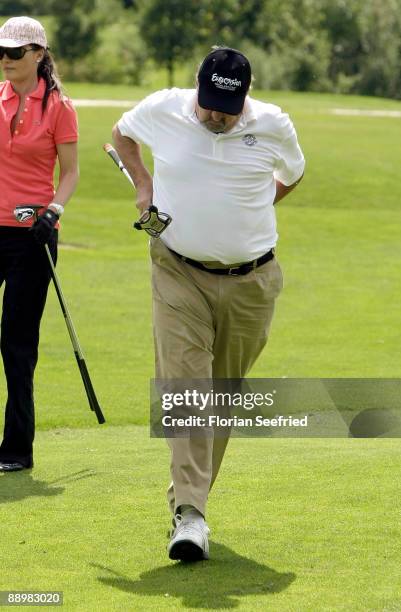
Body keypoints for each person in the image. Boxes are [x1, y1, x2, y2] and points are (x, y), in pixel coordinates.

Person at [112, 47, 305, 561]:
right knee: (187, 387)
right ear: (196, 91)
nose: (217, 115)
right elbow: (121, 134)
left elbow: (294, 171)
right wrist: (144, 185)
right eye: (210, 104)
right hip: (177, 271)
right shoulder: (164, 108)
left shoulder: (273, 125)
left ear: (245, 97)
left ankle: (187, 502)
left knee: (221, 396)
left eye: (229, 106)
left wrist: (255, 204)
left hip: (253, 281)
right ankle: (192, 515)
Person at [0, 17, 79, 472]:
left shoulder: (59, 107)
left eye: (16, 53)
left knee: (16, 343)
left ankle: (15, 448)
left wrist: (53, 212)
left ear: (38, 55)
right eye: (2, 53)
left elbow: (69, 173)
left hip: (33, 236)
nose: (7, 61)